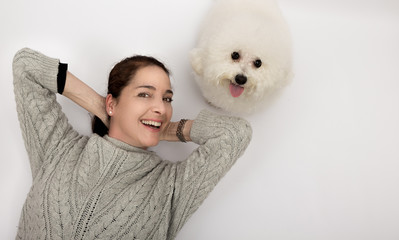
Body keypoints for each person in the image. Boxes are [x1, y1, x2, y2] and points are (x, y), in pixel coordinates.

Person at [12, 47, 252, 239]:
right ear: (111, 103)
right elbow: (26, 65)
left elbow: (234, 134)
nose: (161, 107)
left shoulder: (171, 186)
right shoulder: (59, 149)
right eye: (145, 94)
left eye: (167, 99)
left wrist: (165, 128)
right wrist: (101, 108)